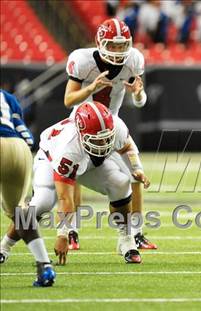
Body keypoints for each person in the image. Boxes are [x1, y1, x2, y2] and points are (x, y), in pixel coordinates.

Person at [3, 101, 150, 265]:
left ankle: (126, 240)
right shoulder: (68, 148)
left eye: (106, 138)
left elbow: (127, 147)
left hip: (88, 159)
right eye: (98, 140)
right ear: (81, 132)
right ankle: (4, 247)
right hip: (50, 159)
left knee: (121, 183)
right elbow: (65, 198)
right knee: (42, 203)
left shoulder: (116, 126)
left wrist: (135, 168)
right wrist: (62, 235)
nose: (103, 144)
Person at [63, 17, 156, 250]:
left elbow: (141, 101)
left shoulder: (133, 60)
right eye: (112, 45)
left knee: (135, 175)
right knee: (72, 173)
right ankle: (71, 230)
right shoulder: (82, 60)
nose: (117, 51)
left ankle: (136, 233)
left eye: (121, 45)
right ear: (100, 42)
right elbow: (68, 100)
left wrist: (136, 94)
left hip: (111, 123)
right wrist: (91, 88)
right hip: (82, 122)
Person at [0, 89, 56, 287]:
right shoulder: (7, 97)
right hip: (18, 148)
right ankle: (45, 266)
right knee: (20, 213)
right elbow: (28, 137)